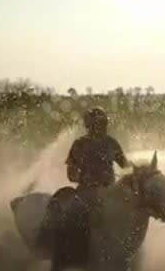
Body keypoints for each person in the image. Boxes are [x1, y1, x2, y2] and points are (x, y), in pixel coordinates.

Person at [37, 107, 132, 266]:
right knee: (72, 216)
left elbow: (125, 165)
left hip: (110, 191)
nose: (101, 126)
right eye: (97, 123)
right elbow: (71, 173)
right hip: (86, 192)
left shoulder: (111, 143)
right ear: (89, 125)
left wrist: (142, 169)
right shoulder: (80, 144)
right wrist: (85, 177)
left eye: (103, 123)